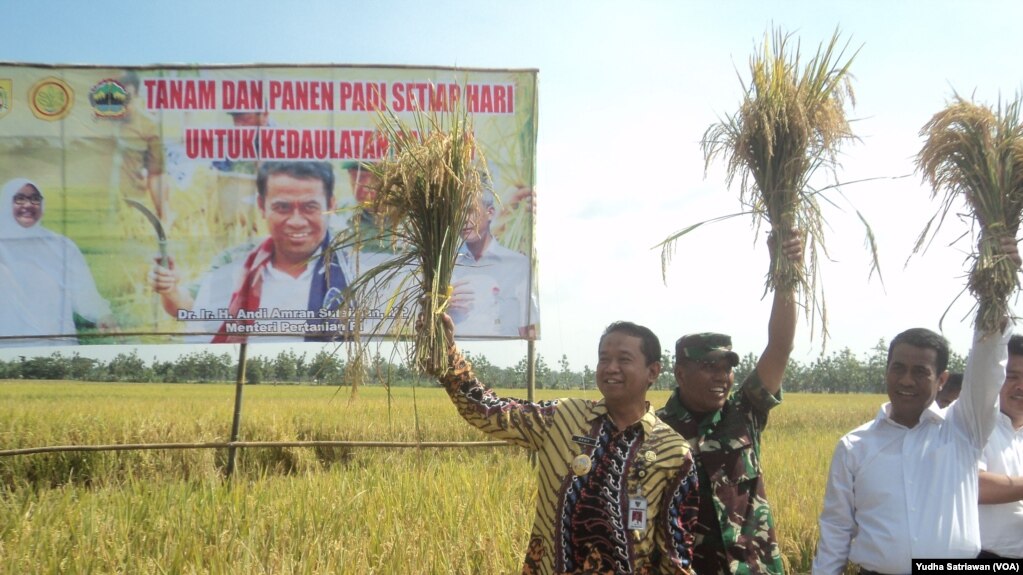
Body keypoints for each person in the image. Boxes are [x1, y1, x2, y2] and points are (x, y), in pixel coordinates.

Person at [427, 314, 700, 574]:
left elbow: (675, 554)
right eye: (603, 359)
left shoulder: (673, 452)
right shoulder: (563, 417)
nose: (610, 368)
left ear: (653, 371)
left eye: (623, 360)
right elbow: (487, 411)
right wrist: (448, 351)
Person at [812, 237, 1020, 575]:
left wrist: (997, 289)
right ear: (887, 370)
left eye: (920, 372)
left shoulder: (963, 430)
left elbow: (986, 369)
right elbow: (836, 529)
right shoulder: (855, 446)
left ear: (942, 379)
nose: (906, 380)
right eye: (898, 368)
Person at [656, 232, 803, 575]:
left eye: (727, 368)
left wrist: (786, 273)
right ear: (680, 372)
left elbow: (780, 346)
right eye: (709, 367)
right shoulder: (657, 429)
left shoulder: (744, 411)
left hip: (754, 568)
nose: (722, 376)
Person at [148, 161, 353, 343]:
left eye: (310, 208)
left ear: (331, 206)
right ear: (262, 206)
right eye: (282, 208)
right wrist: (169, 289)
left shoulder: (353, 263)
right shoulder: (235, 260)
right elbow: (189, 309)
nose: (296, 222)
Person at [0, 178, 115, 346]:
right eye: (19, 198)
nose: (28, 205)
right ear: (5, 202)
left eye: (35, 199)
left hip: (55, 349)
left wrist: (102, 314)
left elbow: (84, 292)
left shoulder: (61, 246)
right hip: (7, 350)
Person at [448, 185, 539, 338]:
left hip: (505, 354)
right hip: (454, 353)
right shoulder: (446, 267)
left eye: (470, 211)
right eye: (459, 213)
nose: (464, 219)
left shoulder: (518, 264)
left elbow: (528, 327)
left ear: (490, 213)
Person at [976, 334, 1023, 559]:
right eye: (1012, 376)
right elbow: (974, 485)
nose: (1021, 386)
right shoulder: (974, 426)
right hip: (981, 557)